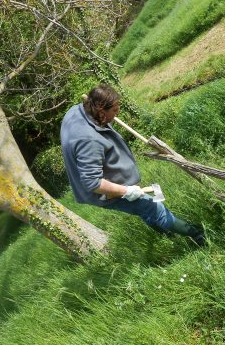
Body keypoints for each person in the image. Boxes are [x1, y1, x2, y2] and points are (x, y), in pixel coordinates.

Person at [60, 84, 204, 246]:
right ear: (101, 112)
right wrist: (126, 190)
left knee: (148, 205)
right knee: (153, 208)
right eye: (114, 110)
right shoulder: (89, 140)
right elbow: (92, 182)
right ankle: (198, 235)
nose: (118, 113)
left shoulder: (79, 111)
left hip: (110, 176)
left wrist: (107, 120)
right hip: (105, 191)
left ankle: (169, 237)